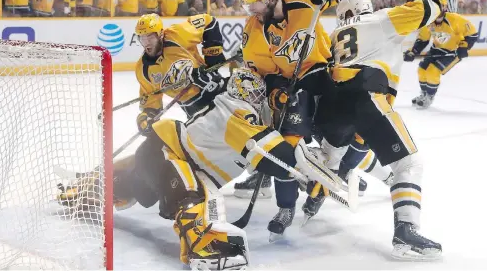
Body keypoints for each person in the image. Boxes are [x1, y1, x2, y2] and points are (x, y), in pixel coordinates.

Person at [58, 69, 340, 269]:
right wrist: (304, 178)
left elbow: (274, 154)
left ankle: (89, 189)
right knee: (191, 196)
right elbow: (272, 157)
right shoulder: (238, 112)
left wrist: (305, 178)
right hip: (172, 153)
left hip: (167, 153)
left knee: (136, 184)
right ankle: (204, 245)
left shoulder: (231, 105)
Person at [313, 0, 443, 260]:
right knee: (408, 163)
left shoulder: (336, 35)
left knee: (329, 160)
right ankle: (405, 230)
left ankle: (312, 198)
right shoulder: (381, 19)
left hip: (332, 106)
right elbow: (431, 8)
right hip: (366, 97)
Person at [57, 13, 229, 212]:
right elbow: (150, 103)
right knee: (168, 150)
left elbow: (209, 21)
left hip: (220, 97)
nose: (146, 42)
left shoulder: (177, 36)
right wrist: (145, 119)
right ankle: (114, 185)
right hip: (195, 113)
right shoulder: (144, 69)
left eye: (150, 36)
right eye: (142, 37)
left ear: (160, 34)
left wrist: (213, 56)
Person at [237, 0, 355, 237]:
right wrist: (276, 90)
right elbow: (264, 73)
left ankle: (340, 172)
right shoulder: (254, 27)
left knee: (343, 133)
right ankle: (286, 208)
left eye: (254, 4)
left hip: (324, 74)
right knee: (286, 146)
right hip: (293, 86)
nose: (252, 11)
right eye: (248, 7)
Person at [404, 0, 478, 109]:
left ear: (444, 8)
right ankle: (424, 94)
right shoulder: (429, 22)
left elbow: (472, 33)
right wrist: (413, 52)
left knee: (433, 71)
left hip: (452, 52)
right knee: (422, 69)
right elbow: (423, 39)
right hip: (436, 49)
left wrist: (464, 47)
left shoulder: (455, 19)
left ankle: (430, 96)